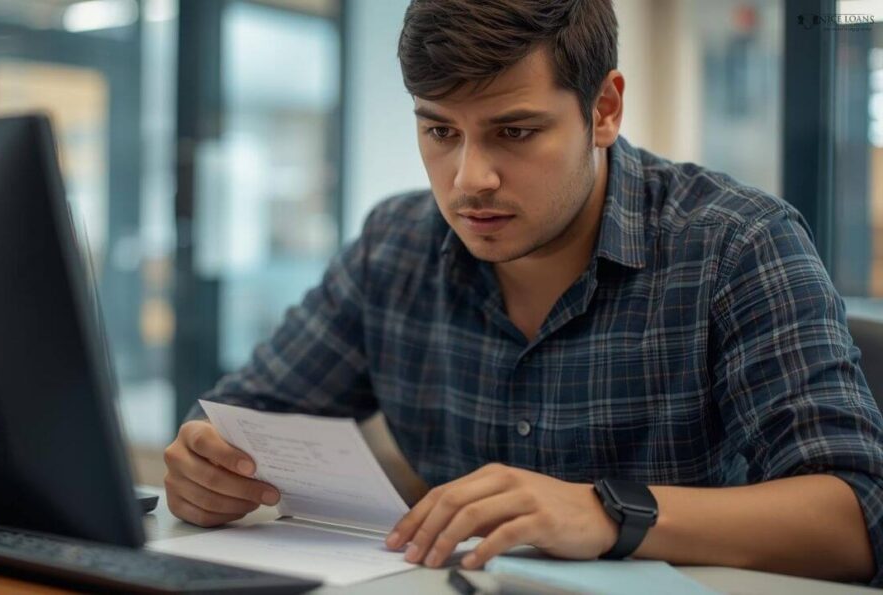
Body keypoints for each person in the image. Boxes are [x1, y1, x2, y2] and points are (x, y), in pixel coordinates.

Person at [163, 0, 883, 585]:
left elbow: (857, 516)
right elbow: (238, 421)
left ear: (604, 108)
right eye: (440, 130)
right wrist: (204, 465)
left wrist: (607, 515)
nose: (469, 178)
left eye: (513, 131)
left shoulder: (737, 244)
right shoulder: (395, 246)